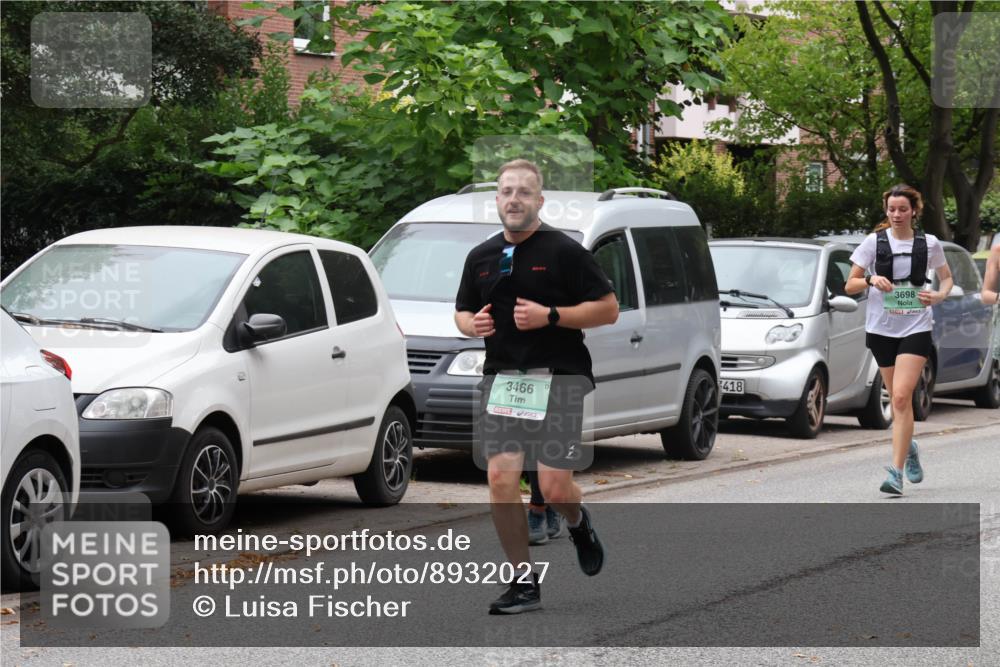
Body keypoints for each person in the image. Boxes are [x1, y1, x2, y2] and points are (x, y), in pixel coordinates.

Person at [454, 159, 619, 614]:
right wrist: (473, 325)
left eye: (524, 192)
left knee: (555, 486)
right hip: (506, 378)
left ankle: (577, 521)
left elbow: (608, 309)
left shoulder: (565, 252)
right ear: (496, 199)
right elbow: (464, 311)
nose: (513, 199)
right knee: (500, 478)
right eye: (506, 191)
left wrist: (552, 316)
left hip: (561, 377)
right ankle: (523, 582)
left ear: (539, 201)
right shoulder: (482, 257)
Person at [845, 184, 953, 496]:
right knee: (897, 399)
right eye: (891, 209)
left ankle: (896, 473)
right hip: (881, 329)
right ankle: (910, 446)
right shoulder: (873, 242)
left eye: (902, 209)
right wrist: (869, 279)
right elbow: (850, 284)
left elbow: (946, 278)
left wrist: (939, 295)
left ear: (914, 211)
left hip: (916, 326)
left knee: (903, 398)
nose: (896, 215)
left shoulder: (929, 244)